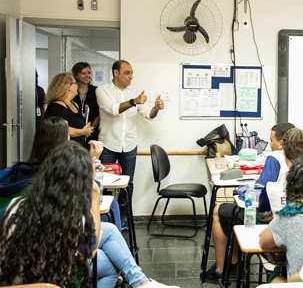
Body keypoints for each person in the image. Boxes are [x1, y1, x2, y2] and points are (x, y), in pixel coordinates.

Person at [0, 141, 178, 288]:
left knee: (109, 233)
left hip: (10, 279)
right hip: (47, 281)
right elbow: (90, 250)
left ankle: (141, 282)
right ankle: (141, 283)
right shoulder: (69, 217)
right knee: (110, 265)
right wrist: (94, 193)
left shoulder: (16, 204)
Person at [206, 124, 303, 282]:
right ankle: (234, 259)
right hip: (300, 226)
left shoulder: (274, 158)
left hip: (269, 219)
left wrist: (242, 192)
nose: (270, 144)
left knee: (219, 211)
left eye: (271, 140)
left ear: (283, 143)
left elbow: (260, 200)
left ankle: (222, 268)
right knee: (232, 213)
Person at [96, 60, 164, 201]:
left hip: (129, 145)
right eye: (127, 73)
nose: (131, 76)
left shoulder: (135, 93)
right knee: (104, 184)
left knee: (128, 184)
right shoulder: (102, 90)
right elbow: (113, 109)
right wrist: (133, 102)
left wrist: (156, 108)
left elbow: (148, 115)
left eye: (132, 73)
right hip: (108, 145)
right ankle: (108, 218)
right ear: (116, 73)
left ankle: (126, 219)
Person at [0, 117, 72, 214]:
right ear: (60, 142)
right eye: (67, 134)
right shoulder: (49, 183)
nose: (69, 137)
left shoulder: (17, 169)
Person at [44, 72, 94, 148]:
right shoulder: (56, 106)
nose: (77, 85)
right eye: (75, 83)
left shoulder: (75, 104)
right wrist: (83, 132)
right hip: (64, 150)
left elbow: (78, 125)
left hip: (79, 147)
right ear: (67, 86)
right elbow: (62, 130)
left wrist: (86, 129)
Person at [72, 62, 100, 142]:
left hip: (92, 131)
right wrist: (80, 131)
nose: (87, 75)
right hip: (74, 132)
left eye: (89, 73)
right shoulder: (71, 91)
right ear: (76, 75)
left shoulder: (96, 91)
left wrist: (90, 129)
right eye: (83, 73)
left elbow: (98, 114)